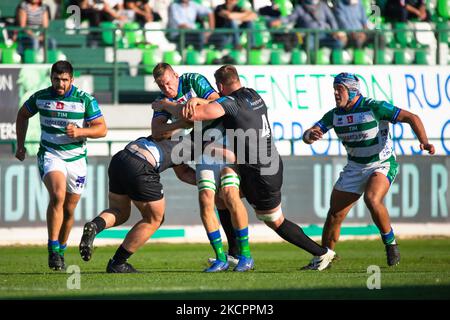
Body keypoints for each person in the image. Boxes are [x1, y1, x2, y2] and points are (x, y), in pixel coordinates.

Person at [159, 65, 336, 271]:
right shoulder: (253, 94)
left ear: (219, 85)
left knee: (273, 219)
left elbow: (196, 115)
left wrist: (165, 104)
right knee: (223, 197)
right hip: (267, 162)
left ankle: (322, 253)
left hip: (259, 171)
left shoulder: (231, 103)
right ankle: (234, 254)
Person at [302, 72, 435, 269]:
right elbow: (307, 135)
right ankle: (324, 259)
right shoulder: (334, 115)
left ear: (352, 90)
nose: (336, 94)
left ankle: (390, 244)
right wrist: (310, 135)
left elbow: (411, 117)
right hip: (354, 167)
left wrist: (424, 142)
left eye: (339, 89)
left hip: (381, 163)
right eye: (334, 90)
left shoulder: (374, 107)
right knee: (334, 215)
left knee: (372, 199)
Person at [15, 60, 107, 271]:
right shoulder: (41, 97)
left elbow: (102, 129)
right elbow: (22, 114)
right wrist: (20, 146)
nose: (60, 84)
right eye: (57, 79)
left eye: (65, 80)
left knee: (69, 209)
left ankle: (61, 250)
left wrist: (81, 132)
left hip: (76, 160)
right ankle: (52, 248)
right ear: (51, 78)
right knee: (57, 195)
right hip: (50, 154)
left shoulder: (84, 100)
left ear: (72, 80)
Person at [151, 63, 241, 271]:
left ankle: (242, 253)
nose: (166, 88)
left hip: (225, 139)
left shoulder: (193, 80)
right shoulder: (161, 100)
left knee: (230, 197)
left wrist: (170, 107)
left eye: (168, 82)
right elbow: (157, 132)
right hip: (202, 145)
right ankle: (222, 257)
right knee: (209, 199)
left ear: (176, 75)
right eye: (161, 86)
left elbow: (217, 103)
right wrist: (181, 124)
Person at [79, 135, 196, 273]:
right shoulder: (196, 143)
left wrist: (208, 184)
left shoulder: (172, 134)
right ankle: (118, 263)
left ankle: (95, 226)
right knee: (154, 219)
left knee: (119, 211)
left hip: (121, 158)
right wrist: (212, 182)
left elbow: (183, 172)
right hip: (141, 165)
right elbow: (190, 168)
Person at [270, 0, 347, 52]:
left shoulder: (323, 6)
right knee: (309, 48)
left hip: (324, 34)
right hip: (309, 36)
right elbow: (290, 18)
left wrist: (336, 31)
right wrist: (280, 21)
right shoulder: (300, 8)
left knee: (338, 43)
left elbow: (331, 19)